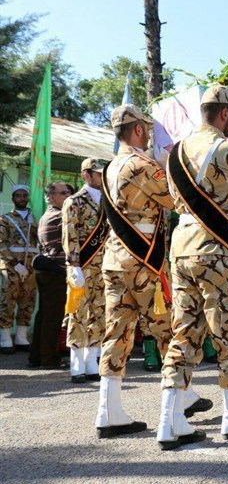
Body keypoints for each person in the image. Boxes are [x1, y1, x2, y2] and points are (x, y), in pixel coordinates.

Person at [159, 85, 228, 449]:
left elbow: (173, 199)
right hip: (216, 248)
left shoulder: (175, 152)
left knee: (183, 333)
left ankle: (169, 421)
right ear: (224, 114)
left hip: (182, 247)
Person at [97, 104, 181, 440]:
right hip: (143, 261)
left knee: (116, 333)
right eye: (146, 129)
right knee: (169, 330)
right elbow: (176, 200)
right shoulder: (142, 165)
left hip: (114, 259)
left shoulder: (109, 168)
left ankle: (108, 411)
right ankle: (175, 412)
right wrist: (167, 165)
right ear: (138, 130)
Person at [62, 158, 108, 384]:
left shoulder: (108, 200)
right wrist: (74, 265)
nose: (101, 177)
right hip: (82, 264)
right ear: (86, 175)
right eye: (97, 173)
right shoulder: (74, 201)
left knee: (100, 313)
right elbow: (69, 234)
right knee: (78, 313)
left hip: (104, 265)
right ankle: (76, 364)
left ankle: (92, 362)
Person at [28, 181, 70, 369]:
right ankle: (49, 359)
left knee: (45, 316)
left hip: (49, 271)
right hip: (55, 272)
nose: (68, 195)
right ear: (51, 197)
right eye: (64, 192)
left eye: (68, 192)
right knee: (53, 318)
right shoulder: (58, 216)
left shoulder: (50, 215)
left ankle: (37, 356)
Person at [0, 185, 39, 353]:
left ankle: (21, 337)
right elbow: (1, 244)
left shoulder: (34, 219)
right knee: (8, 299)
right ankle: (5, 337)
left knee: (28, 299)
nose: (22, 198)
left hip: (30, 265)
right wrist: (15, 263)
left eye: (24, 195)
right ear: (13, 198)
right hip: (10, 266)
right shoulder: (5, 219)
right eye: (18, 195)